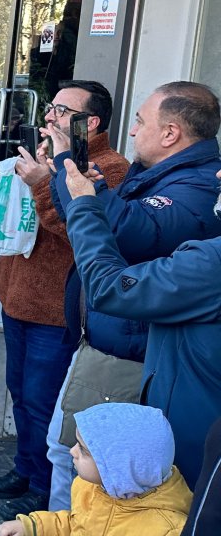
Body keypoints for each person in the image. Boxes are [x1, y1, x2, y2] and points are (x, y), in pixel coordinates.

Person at [46, 81, 221, 506]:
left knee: (85, 468)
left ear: (170, 133)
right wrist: (75, 180)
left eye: (140, 121)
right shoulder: (156, 172)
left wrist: (85, 187)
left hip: (128, 355)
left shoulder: (197, 190)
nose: (131, 131)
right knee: (65, 452)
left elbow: (129, 237)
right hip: (113, 346)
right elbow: (83, 213)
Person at [0, 81, 129, 520]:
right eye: (51, 109)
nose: (48, 117)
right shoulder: (43, 156)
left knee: (45, 402)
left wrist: (46, 185)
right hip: (17, 298)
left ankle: (44, 488)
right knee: (21, 394)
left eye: (61, 111)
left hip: (55, 312)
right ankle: (24, 469)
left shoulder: (110, 168)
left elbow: (84, 233)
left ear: (90, 122)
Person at [0, 403, 191, 536]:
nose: (72, 451)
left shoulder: (166, 529)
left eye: (83, 449)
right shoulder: (91, 486)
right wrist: (33, 526)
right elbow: (76, 524)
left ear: (118, 469)